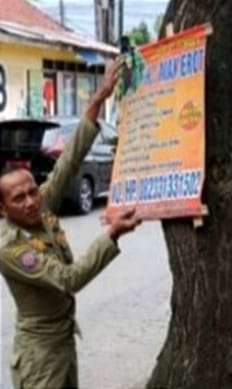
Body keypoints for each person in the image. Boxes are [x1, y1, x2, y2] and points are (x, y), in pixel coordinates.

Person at [0, 58, 141, 389]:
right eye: (18, 198)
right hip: (39, 356)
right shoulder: (10, 246)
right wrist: (111, 234)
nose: (31, 201)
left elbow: (68, 161)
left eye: (32, 191)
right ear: (2, 208)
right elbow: (68, 278)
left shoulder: (39, 205)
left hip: (62, 342)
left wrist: (98, 99)